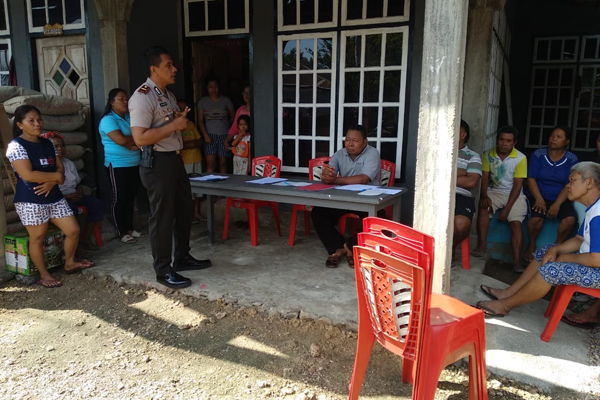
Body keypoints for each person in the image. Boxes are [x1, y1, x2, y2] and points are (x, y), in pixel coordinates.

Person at [129, 46, 211, 290]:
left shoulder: (167, 94)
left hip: (174, 159)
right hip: (157, 163)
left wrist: (176, 120)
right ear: (154, 69)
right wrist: (174, 125)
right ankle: (163, 270)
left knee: (184, 210)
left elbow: (168, 124)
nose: (174, 69)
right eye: (168, 65)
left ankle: (182, 257)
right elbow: (140, 138)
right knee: (162, 217)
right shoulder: (142, 97)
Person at [476, 162, 600, 317]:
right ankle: (508, 293)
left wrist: (565, 258)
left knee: (551, 270)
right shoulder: (593, 208)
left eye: (572, 180)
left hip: (597, 271)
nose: (567, 185)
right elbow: (580, 239)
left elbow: (597, 259)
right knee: (547, 251)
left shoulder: (598, 214)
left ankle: (505, 306)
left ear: (589, 183)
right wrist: (555, 249)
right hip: (589, 261)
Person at [6, 105, 93, 288]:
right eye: (31, 121)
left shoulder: (47, 143)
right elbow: (28, 175)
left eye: (39, 119)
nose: (37, 123)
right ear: (20, 125)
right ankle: (44, 274)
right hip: (31, 200)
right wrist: (55, 177)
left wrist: (53, 181)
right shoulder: (16, 146)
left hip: (54, 197)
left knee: (73, 230)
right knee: (37, 237)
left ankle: (69, 263)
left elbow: (60, 168)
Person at [311, 125, 380, 268]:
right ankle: (340, 248)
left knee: (377, 221)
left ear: (365, 142)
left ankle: (350, 245)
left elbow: (364, 179)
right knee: (318, 213)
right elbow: (329, 174)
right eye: (347, 140)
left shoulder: (372, 153)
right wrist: (327, 176)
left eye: (355, 140)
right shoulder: (339, 154)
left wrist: (335, 180)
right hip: (344, 199)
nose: (350, 144)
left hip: (368, 200)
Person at [471, 126, 528, 272]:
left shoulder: (521, 158)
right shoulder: (487, 155)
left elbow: (517, 186)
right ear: (497, 140)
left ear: (514, 143)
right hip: (493, 192)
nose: (504, 143)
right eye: (501, 140)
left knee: (516, 224)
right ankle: (482, 246)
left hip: (514, 194)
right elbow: (484, 177)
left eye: (508, 141)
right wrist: (484, 195)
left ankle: (516, 262)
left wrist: (507, 209)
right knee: (483, 207)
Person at [523, 126, 579, 262]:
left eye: (559, 137)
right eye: (552, 135)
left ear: (566, 141)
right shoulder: (538, 154)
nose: (554, 139)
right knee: (536, 219)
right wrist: (539, 199)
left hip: (560, 197)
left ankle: (556, 247)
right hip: (537, 195)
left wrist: (557, 204)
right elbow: (531, 178)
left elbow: (569, 183)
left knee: (569, 219)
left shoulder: (571, 159)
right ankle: (531, 245)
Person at [99, 88, 145, 244]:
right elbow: (121, 140)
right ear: (112, 102)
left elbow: (143, 134)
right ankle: (121, 232)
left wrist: (134, 142)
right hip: (117, 165)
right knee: (119, 198)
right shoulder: (108, 120)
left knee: (130, 198)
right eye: (121, 99)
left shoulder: (130, 117)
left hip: (135, 163)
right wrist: (135, 140)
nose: (126, 101)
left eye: (127, 98)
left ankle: (129, 229)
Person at [47, 133, 103, 255]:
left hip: (74, 194)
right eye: (55, 146)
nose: (60, 149)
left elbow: (77, 182)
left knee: (95, 203)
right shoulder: (46, 167)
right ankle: (76, 245)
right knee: (71, 210)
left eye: (62, 146)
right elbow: (48, 191)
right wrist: (66, 197)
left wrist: (79, 192)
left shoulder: (69, 163)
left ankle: (85, 237)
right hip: (60, 198)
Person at [453, 120, 482, 264]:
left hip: (461, 196)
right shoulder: (438, 152)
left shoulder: (473, 156)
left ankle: (450, 249)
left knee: (461, 224)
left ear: (463, 135)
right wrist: (459, 173)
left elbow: (471, 182)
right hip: (437, 194)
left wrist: (444, 176)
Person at [197, 78, 235, 173]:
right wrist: (205, 135)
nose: (213, 89)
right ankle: (209, 182)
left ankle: (224, 182)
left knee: (223, 164)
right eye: (210, 87)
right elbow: (200, 120)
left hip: (224, 136)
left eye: (215, 87)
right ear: (206, 88)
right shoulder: (202, 102)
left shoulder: (226, 100)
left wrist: (229, 134)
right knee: (210, 164)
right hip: (209, 135)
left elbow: (233, 118)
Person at [177, 99, 205, 224]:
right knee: (187, 191)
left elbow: (199, 141)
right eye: (180, 109)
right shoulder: (174, 126)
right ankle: (188, 215)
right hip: (184, 161)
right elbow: (179, 145)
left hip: (196, 158)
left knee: (198, 190)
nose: (183, 111)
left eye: (185, 109)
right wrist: (190, 143)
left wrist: (189, 144)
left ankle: (196, 213)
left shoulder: (191, 124)